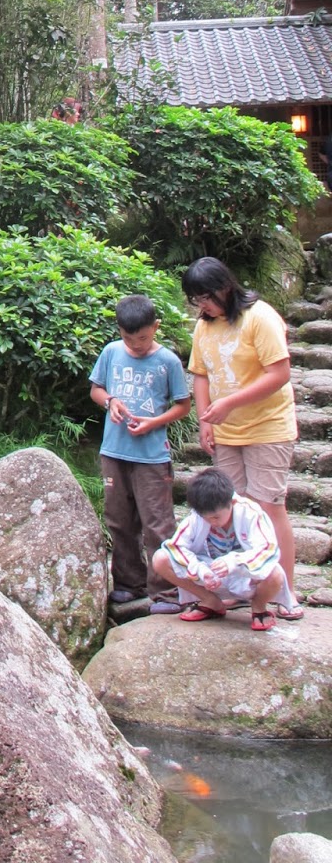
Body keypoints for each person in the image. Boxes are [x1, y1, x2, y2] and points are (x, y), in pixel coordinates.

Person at [181, 256, 302, 621]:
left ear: (225, 288)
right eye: (195, 300)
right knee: (231, 511)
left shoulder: (260, 317)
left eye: (205, 298)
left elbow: (279, 373)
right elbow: (200, 374)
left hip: (268, 426)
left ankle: (285, 592)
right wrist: (206, 419)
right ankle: (241, 588)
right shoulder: (205, 326)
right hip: (227, 432)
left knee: (268, 506)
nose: (201, 306)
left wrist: (229, 403)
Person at [89, 293, 192, 612]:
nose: (135, 344)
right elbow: (96, 389)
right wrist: (111, 402)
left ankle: (166, 590)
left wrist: (153, 423)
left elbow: (183, 406)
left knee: (157, 523)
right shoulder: (111, 352)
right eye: (128, 338)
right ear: (119, 330)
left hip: (151, 456)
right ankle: (128, 584)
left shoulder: (168, 361)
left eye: (143, 338)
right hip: (114, 451)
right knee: (119, 520)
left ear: (156, 327)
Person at [152, 466, 285, 631]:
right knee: (161, 558)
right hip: (211, 574)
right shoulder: (197, 516)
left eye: (216, 517)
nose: (212, 522)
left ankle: (258, 606)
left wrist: (234, 562)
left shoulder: (251, 513)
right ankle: (210, 601)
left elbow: (268, 549)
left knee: (275, 573)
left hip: (246, 574)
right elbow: (175, 547)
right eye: (206, 518)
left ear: (232, 502)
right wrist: (200, 570)